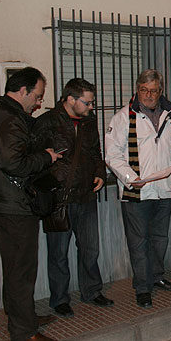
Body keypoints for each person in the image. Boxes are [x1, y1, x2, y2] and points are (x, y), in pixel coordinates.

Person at [0, 66, 61, 341]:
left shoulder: (2, 113)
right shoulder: (7, 119)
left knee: (17, 267)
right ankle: (24, 333)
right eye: (37, 97)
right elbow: (14, 163)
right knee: (21, 270)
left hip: (6, 202)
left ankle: (22, 317)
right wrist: (46, 157)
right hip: (12, 206)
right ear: (23, 90)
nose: (38, 103)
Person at [105, 69, 171, 309]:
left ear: (161, 91)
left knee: (160, 238)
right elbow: (111, 155)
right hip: (136, 191)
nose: (148, 95)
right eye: (144, 90)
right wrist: (131, 177)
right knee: (138, 242)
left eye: (153, 90)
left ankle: (157, 276)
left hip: (164, 189)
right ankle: (142, 287)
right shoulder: (122, 118)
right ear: (137, 89)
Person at [34, 78, 112, 318]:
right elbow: (35, 160)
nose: (91, 107)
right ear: (70, 99)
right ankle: (60, 299)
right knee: (58, 253)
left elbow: (95, 151)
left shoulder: (89, 122)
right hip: (59, 199)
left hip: (86, 196)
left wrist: (99, 173)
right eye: (87, 103)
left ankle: (91, 290)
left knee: (90, 248)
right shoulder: (46, 123)